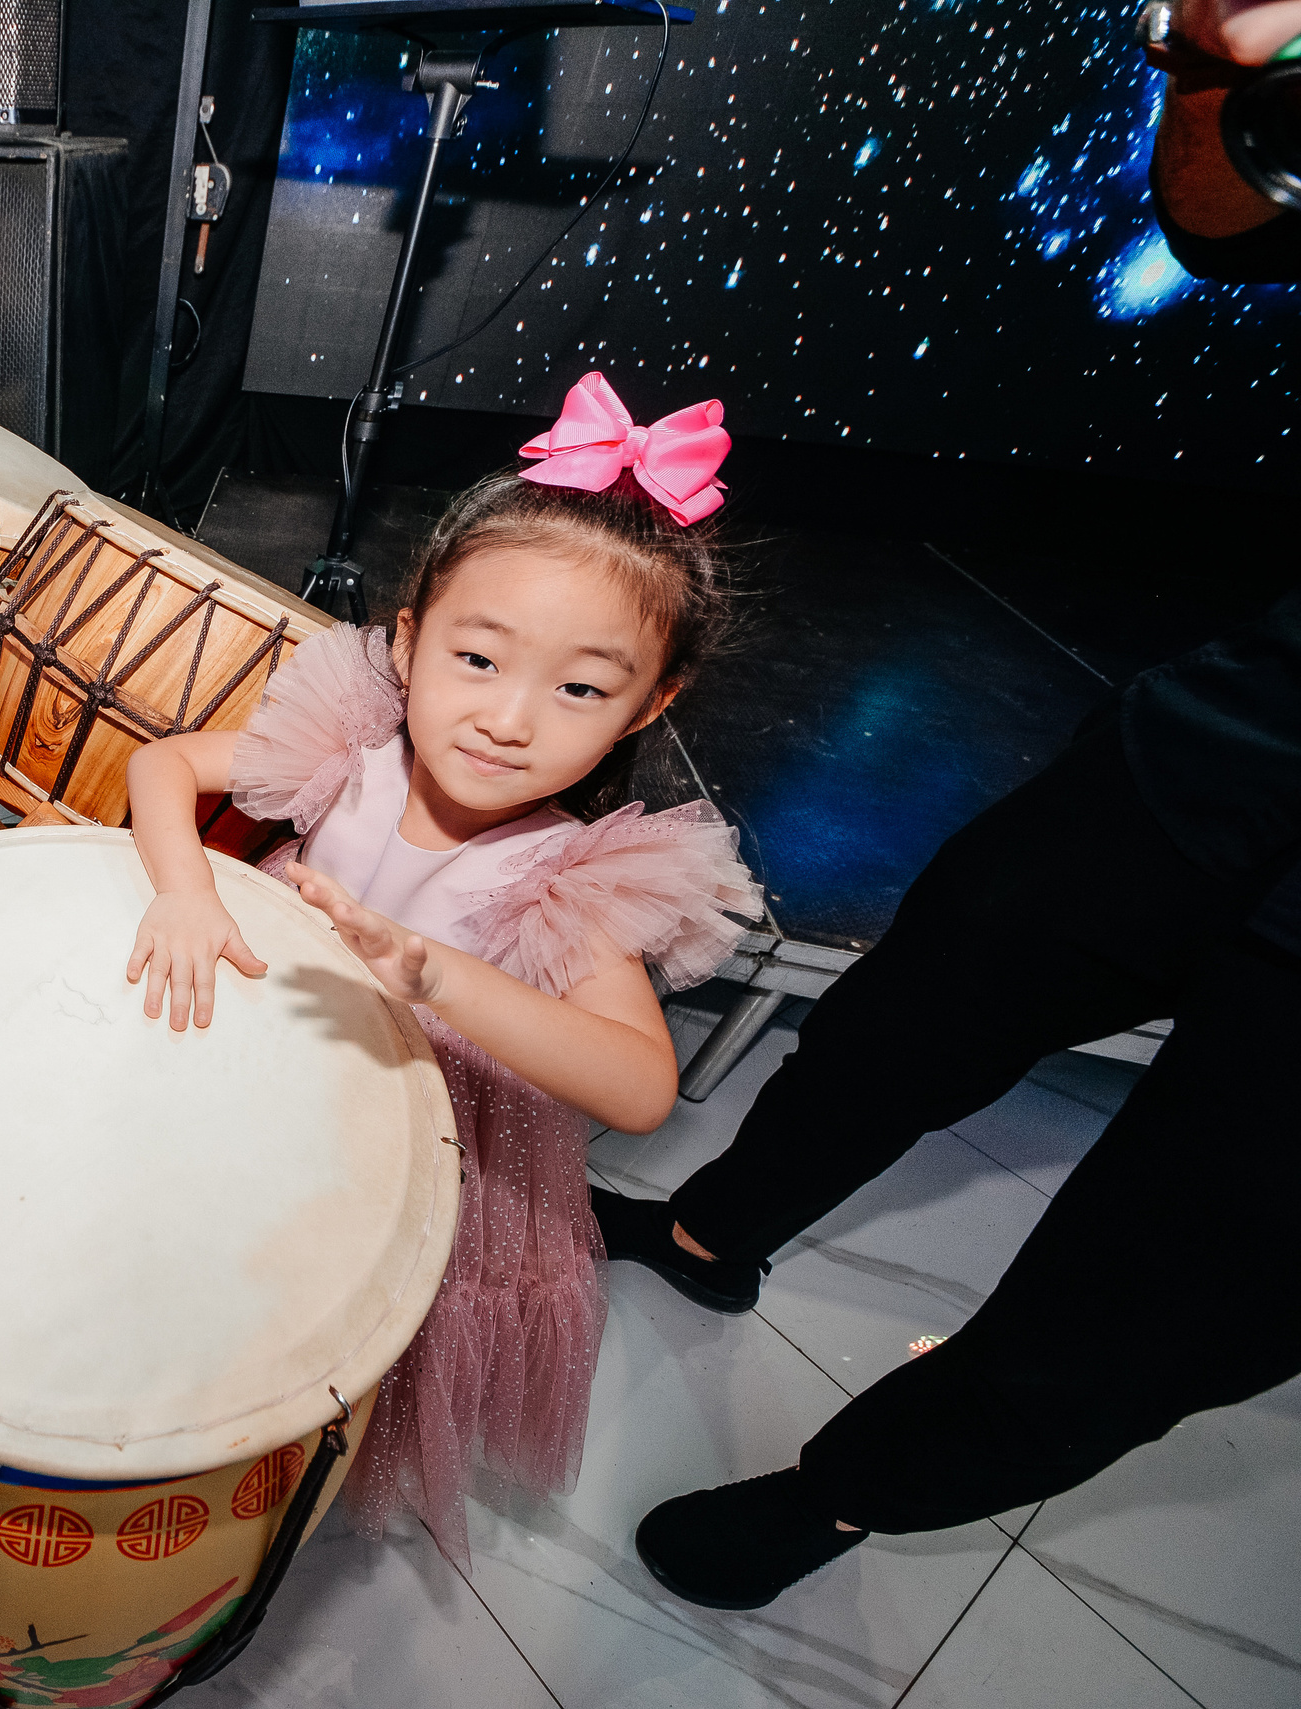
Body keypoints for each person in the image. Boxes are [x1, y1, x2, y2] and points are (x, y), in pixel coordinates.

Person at [603, 0, 1301, 1611]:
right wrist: (1215, 44)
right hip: (1254, 734)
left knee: (1178, 1287)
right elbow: (1223, 219)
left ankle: (847, 1498)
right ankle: (718, 1233)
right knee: (928, 993)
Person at [122, 375, 760, 1560]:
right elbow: (162, 767)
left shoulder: (569, 875)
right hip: (280, 1065)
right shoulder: (348, 751)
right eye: (476, 658)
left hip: (418, 1148)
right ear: (409, 639)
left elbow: (637, 1087)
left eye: (579, 687)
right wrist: (185, 887)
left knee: (359, 1320)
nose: (509, 720)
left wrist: (437, 976)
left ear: (645, 705)